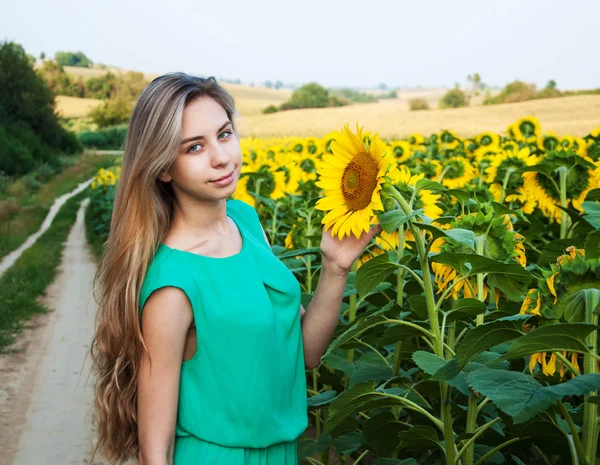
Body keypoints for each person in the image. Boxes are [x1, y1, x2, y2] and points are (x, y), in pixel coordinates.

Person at [89, 73, 381, 465]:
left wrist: (335, 267)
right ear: (162, 168)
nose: (221, 157)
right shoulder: (172, 286)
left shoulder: (246, 222)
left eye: (224, 134)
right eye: (194, 147)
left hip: (280, 454)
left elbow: (305, 353)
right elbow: (154, 451)